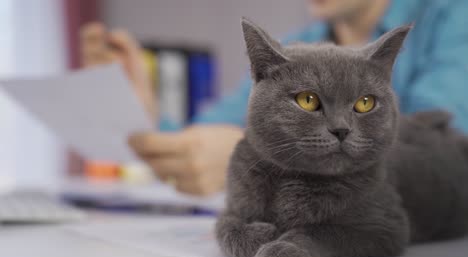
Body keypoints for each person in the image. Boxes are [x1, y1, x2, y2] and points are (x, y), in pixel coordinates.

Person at [81, 0, 468, 196]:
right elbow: (204, 139)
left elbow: (443, 155)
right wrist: (143, 105)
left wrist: (252, 157)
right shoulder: (301, 44)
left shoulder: (454, 17)